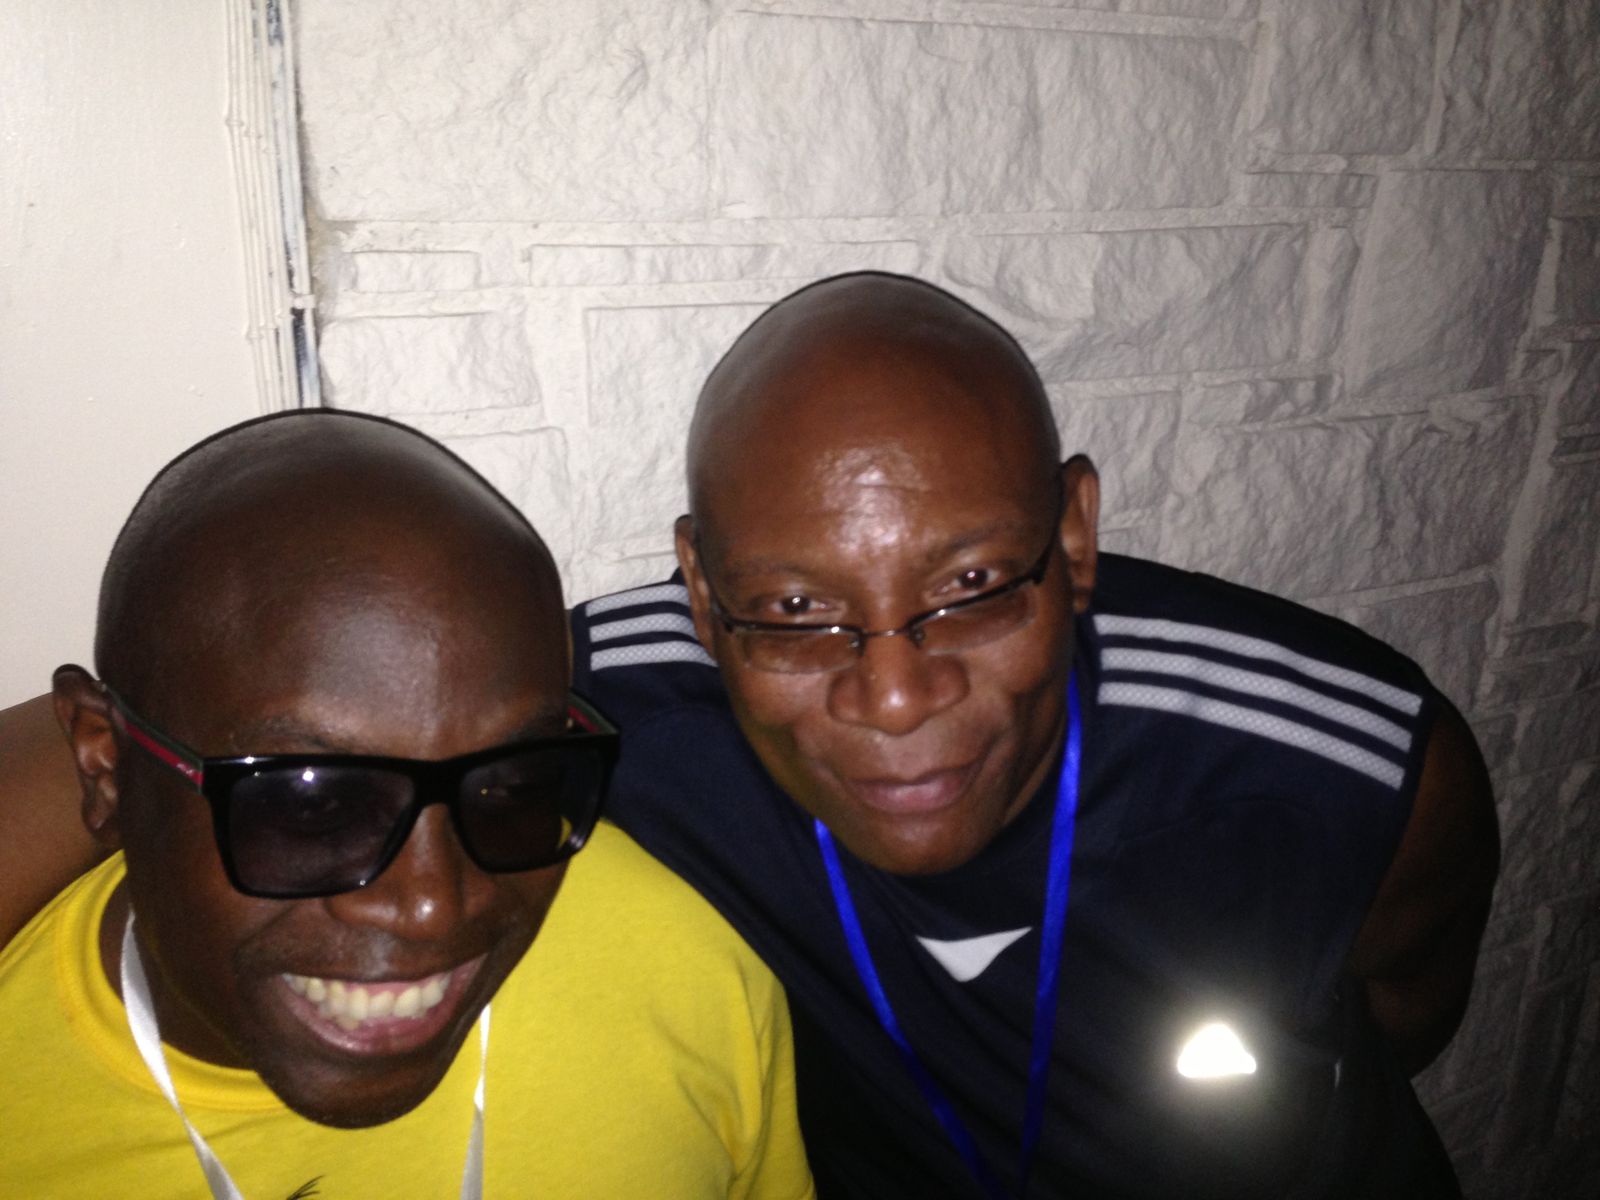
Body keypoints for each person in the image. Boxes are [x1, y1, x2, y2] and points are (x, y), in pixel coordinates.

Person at [1, 272, 1497, 1197]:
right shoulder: (595, 712)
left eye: (974, 586)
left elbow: (1412, 1013)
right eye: (795, 609)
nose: (894, 694)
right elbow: (277, 728)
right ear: (701, 595)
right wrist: (145, 779)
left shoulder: (1328, 756)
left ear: (1075, 535)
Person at [0, 412, 813, 1199]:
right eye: (315, 803)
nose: (432, 903)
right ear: (105, 765)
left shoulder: (687, 974)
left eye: (507, 785)